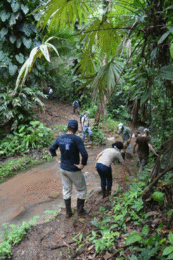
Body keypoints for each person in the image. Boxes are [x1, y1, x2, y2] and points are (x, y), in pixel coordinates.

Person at [49, 119, 88, 218]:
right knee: (82, 189)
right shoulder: (77, 139)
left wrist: (57, 161)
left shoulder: (60, 137)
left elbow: (51, 149)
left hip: (63, 169)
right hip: (73, 169)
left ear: (67, 127)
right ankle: (80, 211)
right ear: (76, 129)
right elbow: (84, 154)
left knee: (66, 190)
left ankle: (68, 212)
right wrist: (82, 165)